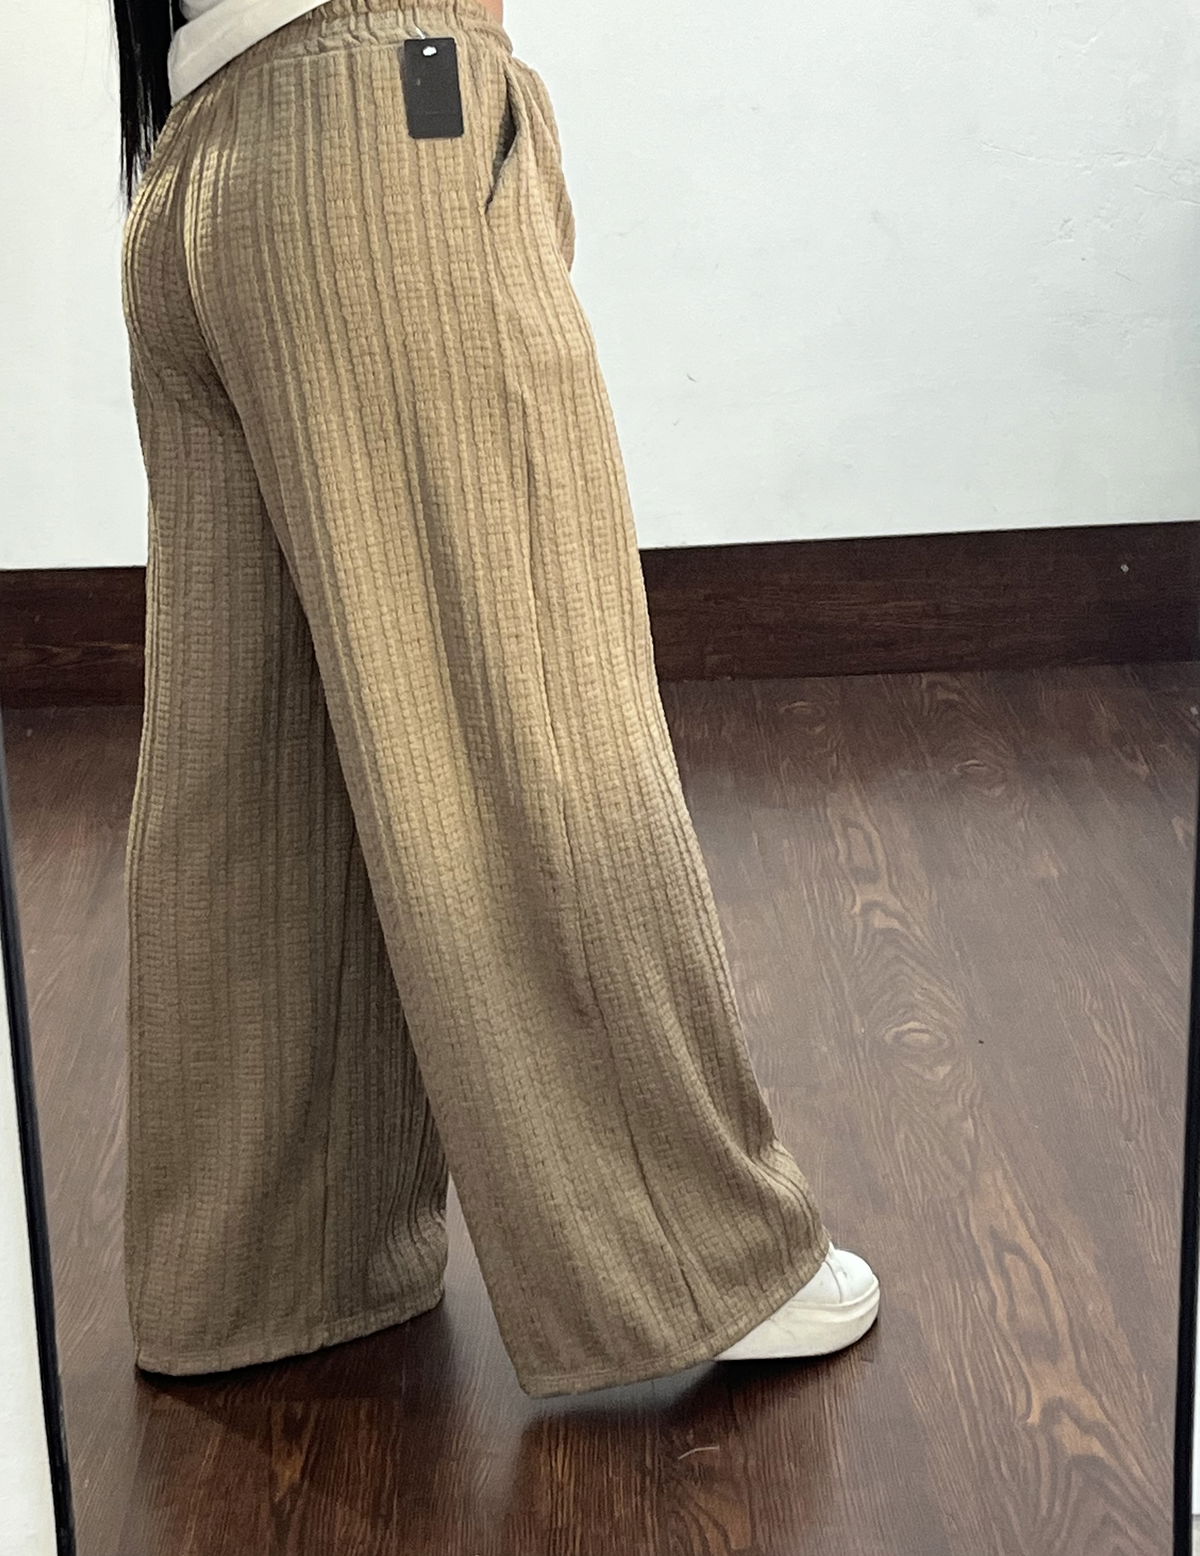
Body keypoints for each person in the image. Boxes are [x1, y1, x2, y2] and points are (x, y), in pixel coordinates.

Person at [110, 0, 880, 1399]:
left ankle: (262, 1266)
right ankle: (689, 1260)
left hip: (203, 162)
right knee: (533, 700)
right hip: (382, 110)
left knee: (259, 764)